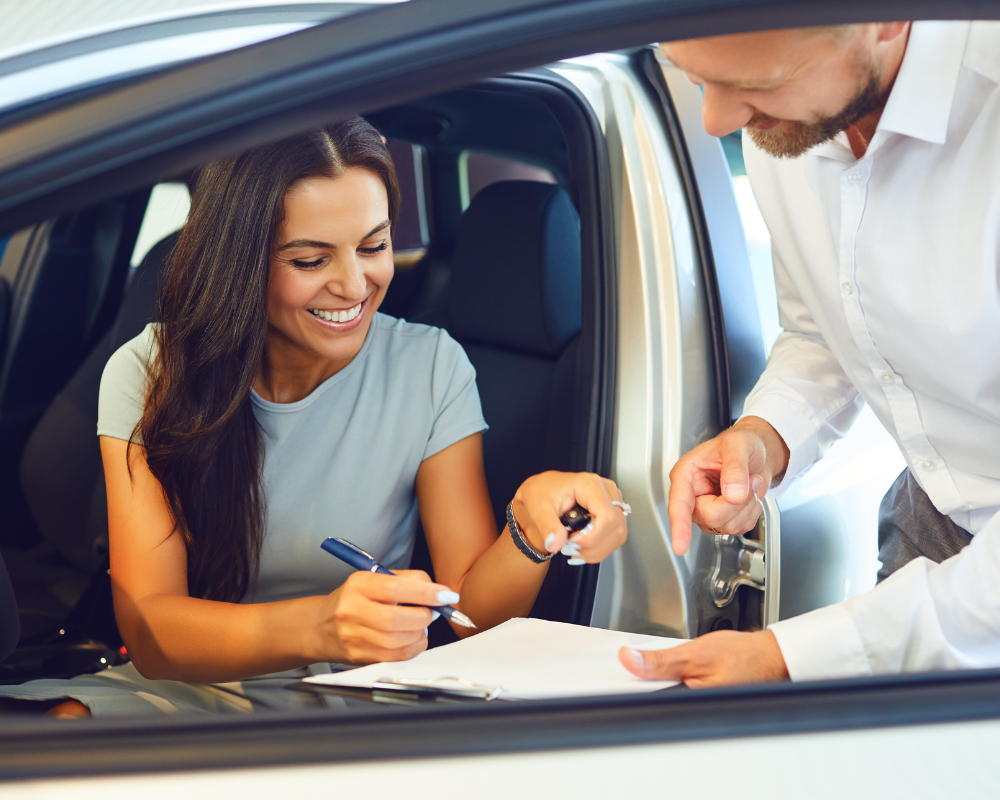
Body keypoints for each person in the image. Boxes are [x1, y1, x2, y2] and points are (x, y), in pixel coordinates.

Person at [0, 118, 628, 716]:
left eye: (375, 246)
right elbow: (153, 630)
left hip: (354, 705)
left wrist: (527, 528)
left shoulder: (432, 367)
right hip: (189, 693)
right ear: (239, 265)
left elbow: (468, 621)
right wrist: (322, 626)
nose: (355, 285)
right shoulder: (150, 372)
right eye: (310, 260)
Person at [620, 21, 1000, 686]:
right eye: (699, 80)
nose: (717, 121)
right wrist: (765, 436)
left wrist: (790, 657)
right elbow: (822, 330)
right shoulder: (780, 127)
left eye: (755, 83)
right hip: (929, 521)